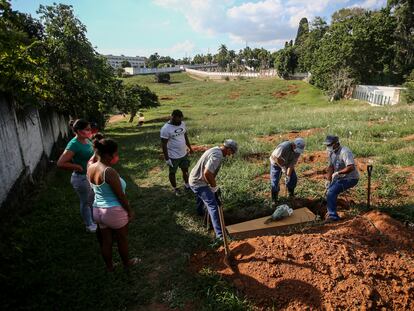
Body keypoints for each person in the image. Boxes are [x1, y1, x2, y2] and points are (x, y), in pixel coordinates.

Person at [87, 138, 138, 271]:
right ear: (108, 155)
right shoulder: (109, 171)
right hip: (113, 211)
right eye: (115, 153)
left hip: (98, 210)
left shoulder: (91, 167)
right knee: (122, 239)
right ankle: (127, 263)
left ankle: (109, 267)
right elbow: (120, 195)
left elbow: (93, 189)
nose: (117, 156)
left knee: (106, 241)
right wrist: (129, 211)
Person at [189, 139, 238, 239]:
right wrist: (214, 187)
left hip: (195, 178)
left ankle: (200, 213)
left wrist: (211, 186)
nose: (230, 155)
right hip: (198, 182)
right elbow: (207, 173)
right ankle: (220, 235)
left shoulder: (215, 149)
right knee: (213, 205)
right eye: (231, 152)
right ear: (228, 149)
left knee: (203, 197)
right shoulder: (217, 155)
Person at [57, 119, 96, 232]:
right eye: (87, 129)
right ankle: (89, 225)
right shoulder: (74, 144)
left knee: (92, 200)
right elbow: (60, 163)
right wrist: (77, 167)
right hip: (81, 178)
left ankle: (94, 219)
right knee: (85, 202)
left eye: (90, 129)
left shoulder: (86, 140)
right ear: (79, 131)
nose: (90, 131)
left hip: (90, 176)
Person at [324, 135, 359, 221]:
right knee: (330, 189)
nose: (328, 147)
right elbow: (331, 167)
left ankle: (333, 216)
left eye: (329, 145)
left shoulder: (345, 152)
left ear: (336, 144)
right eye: (327, 145)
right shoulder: (331, 152)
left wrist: (338, 173)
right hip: (339, 177)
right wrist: (328, 180)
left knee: (331, 192)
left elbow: (351, 167)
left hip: (350, 178)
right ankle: (336, 205)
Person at [160, 109, 193, 196]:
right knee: (172, 173)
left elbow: (185, 135)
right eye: (179, 119)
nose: (180, 121)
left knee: (185, 170)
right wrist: (167, 159)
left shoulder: (182, 124)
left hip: (183, 153)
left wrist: (189, 147)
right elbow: (163, 144)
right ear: (173, 117)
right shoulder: (166, 129)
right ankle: (175, 188)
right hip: (173, 156)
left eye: (181, 119)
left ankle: (187, 185)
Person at [269, 137, 305, 204]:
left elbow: (291, 164)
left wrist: (288, 175)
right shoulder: (283, 147)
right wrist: (282, 166)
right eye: (297, 149)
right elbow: (275, 157)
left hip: (287, 163)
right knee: (275, 181)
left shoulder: (297, 151)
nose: (298, 151)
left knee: (293, 178)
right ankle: (274, 199)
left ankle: (290, 194)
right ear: (293, 145)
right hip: (276, 163)